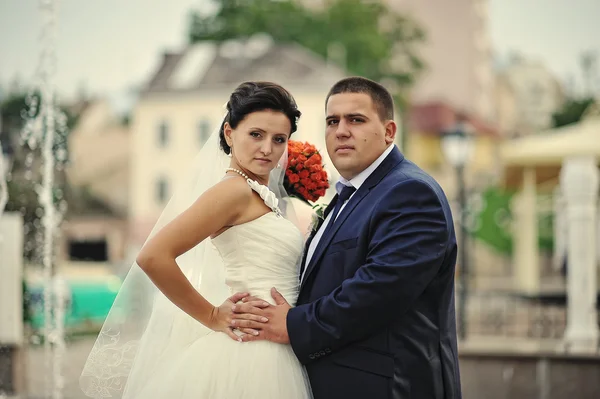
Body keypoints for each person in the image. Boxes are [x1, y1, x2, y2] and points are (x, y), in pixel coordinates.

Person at [231, 76, 463, 398]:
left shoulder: (410, 192)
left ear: (389, 131)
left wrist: (294, 325)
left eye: (356, 119)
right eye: (332, 121)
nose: (341, 130)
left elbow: (379, 290)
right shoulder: (348, 195)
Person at [79, 81, 312, 398]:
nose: (267, 148)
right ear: (230, 133)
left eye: (279, 139)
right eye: (256, 134)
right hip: (254, 354)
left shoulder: (261, 195)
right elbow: (153, 256)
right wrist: (213, 316)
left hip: (276, 344)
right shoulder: (234, 191)